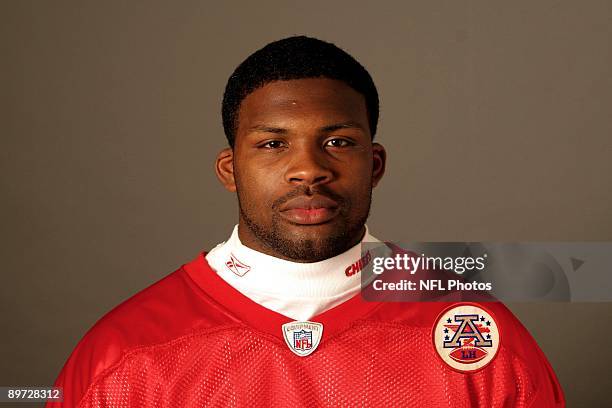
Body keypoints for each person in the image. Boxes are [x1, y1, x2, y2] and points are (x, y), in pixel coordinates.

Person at [48, 36, 565, 407]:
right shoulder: (125, 354)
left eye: (338, 142)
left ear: (376, 164)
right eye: (273, 144)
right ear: (231, 170)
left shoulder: (475, 334)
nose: (309, 170)